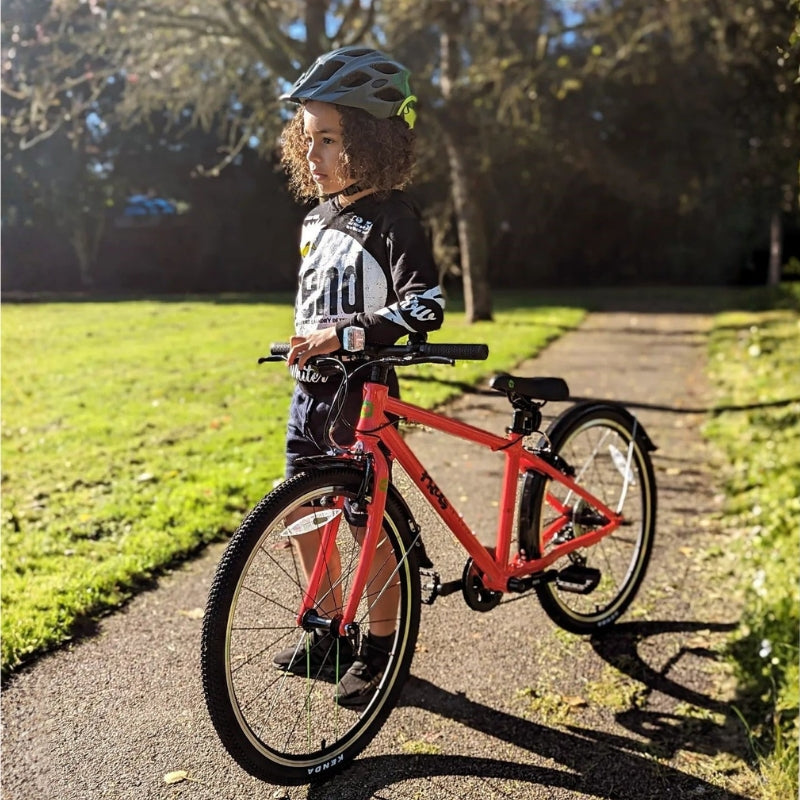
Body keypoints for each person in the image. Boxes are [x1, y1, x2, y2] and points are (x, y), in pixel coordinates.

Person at [272, 46, 445, 708]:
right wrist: (307, 339)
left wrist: (344, 336)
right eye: (306, 139)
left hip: (363, 398)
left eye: (329, 140)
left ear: (370, 143)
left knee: (364, 523)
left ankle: (379, 647)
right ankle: (327, 632)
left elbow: (423, 305)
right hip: (310, 398)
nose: (312, 155)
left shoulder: (394, 218)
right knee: (302, 515)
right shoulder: (316, 221)